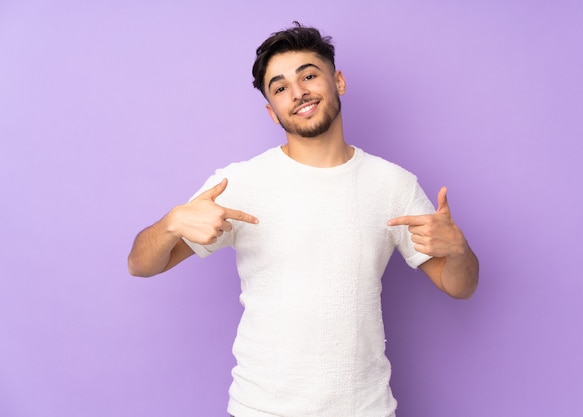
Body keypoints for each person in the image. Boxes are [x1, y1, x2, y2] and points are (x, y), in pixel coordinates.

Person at [128, 22, 478, 417]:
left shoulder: (392, 183)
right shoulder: (239, 183)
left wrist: (460, 251)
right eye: (279, 88)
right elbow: (140, 265)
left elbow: (458, 285)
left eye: (309, 75)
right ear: (271, 111)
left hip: (364, 408)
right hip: (261, 408)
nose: (298, 93)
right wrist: (171, 222)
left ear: (338, 81)